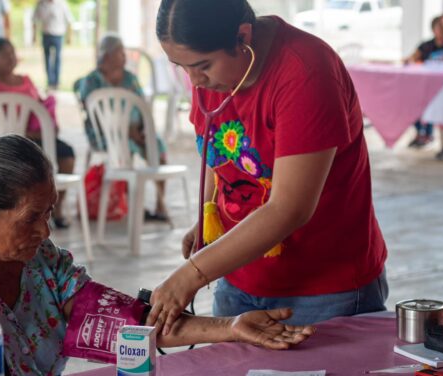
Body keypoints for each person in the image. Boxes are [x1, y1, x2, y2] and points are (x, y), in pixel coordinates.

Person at [0, 129, 314, 375]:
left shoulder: (39, 259)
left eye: (49, 212)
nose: (46, 230)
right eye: (31, 218)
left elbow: (128, 326)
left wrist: (231, 325)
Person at [146, 0, 389, 334]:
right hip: (239, 281)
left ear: (242, 36)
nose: (195, 81)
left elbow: (289, 209)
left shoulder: (305, 71)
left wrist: (193, 273)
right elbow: (219, 154)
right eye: (181, 67)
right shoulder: (214, 73)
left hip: (322, 289)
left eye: (202, 66)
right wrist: (207, 219)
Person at [0, 37, 74, 228]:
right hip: (2, 142)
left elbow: (39, 108)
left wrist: (44, 126)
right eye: (4, 54)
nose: (10, 57)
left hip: (33, 137)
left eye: (12, 53)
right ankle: (25, 215)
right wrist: (19, 131)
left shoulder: (26, 80)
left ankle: (56, 209)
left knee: (66, 154)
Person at [78, 33, 170, 221]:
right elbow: (94, 114)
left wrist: (141, 130)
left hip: (136, 131)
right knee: (125, 151)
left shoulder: (130, 79)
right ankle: (130, 205)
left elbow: (142, 106)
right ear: (107, 56)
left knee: (157, 147)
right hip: (105, 134)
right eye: (120, 52)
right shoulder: (91, 81)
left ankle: (160, 205)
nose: (124, 56)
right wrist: (125, 131)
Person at [405, 15, 443, 150]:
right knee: (410, 99)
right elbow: (411, 58)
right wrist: (410, 61)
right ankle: (423, 134)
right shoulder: (426, 46)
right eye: (441, 26)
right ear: (433, 29)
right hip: (427, 88)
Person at [33, 0, 73, 90]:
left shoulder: (62, 3)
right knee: (47, 59)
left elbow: (69, 20)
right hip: (46, 34)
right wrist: (34, 35)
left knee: (57, 59)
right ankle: (50, 81)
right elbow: (35, 20)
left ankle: (56, 81)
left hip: (58, 35)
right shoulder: (41, 4)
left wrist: (69, 36)